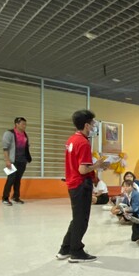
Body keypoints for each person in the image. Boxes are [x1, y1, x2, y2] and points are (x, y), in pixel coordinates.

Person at [56, 110, 109, 263]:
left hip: (73, 183)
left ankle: (65, 249)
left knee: (76, 218)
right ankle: (76, 251)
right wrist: (97, 165)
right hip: (81, 184)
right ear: (86, 125)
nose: (93, 126)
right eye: (92, 123)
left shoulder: (71, 139)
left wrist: (95, 166)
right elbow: (83, 169)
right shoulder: (84, 143)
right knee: (81, 220)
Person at [2, 117, 32, 205]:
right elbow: (5, 148)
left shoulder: (25, 135)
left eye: (25, 124)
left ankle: (16, 197)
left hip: (22, 161)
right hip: (12, 161)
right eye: (23, 124)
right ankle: (5, 198)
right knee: (11, 179)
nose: (24, 126)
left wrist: (27, 158)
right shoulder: (9, 133)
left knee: (18, 179)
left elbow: (26, 147)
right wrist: (7, 160)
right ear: (17, 124)